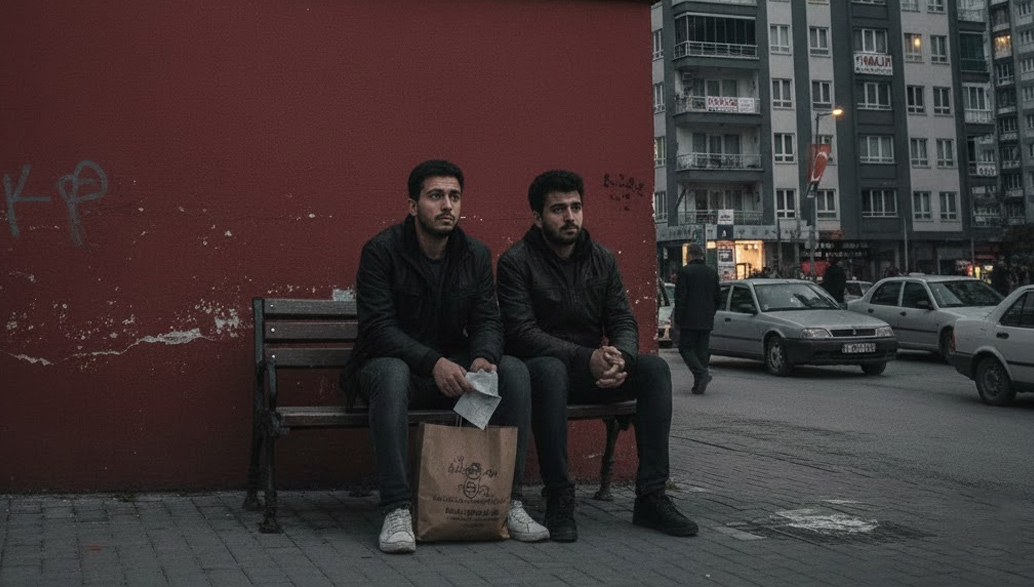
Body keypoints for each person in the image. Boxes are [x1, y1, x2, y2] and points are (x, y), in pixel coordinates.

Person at [340, 160, 548, 554]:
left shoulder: (474, 254)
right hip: (388, 369)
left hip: (451, 373)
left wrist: (483, 356)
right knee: (392, 372)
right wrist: (432, 362)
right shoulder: (381, 251)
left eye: (454, 196)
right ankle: (397, 508)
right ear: (413, 205)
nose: (447, 205)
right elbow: (378, 329)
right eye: (435, 196)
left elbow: (487, 318)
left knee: (514, 371)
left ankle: (509, 502)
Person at [497, 169, 698, 543]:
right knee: (550, 370)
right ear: (538, 218)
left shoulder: (601, 259)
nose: (570, 217)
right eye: (558, 209)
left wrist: (620, 358)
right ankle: (559, 496)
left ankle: (651, 497)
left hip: (593, 370)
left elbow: (622, 318)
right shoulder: (516, 262)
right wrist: (585, 357)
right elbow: (521, 334)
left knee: (654, 369)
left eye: (575, 207)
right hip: (543, 372)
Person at [673, 244, 722, 395]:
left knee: (685, 348)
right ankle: (699, 381)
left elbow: (681, 298)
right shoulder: (712, 272)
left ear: (690, 255)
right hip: (706, 319)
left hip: (689, 319)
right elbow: (718, 298)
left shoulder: (685, 272)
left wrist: (677, 319)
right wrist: (710, 312)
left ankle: (701, 375)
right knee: (702, 351)